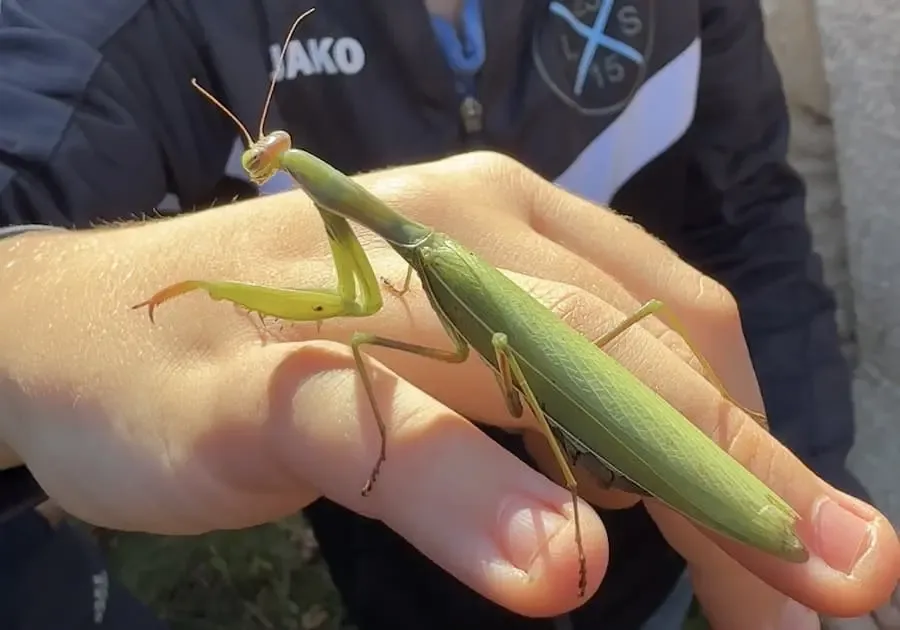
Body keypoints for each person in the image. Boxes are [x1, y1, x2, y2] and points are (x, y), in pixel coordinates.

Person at [0, 1, 896, 629]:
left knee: (433, 340)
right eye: (262, 156)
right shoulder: (145, 25)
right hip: (432, 583)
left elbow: (751, 224)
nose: (266, 159)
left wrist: (805, 457)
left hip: (630, 542)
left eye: (273, 155)